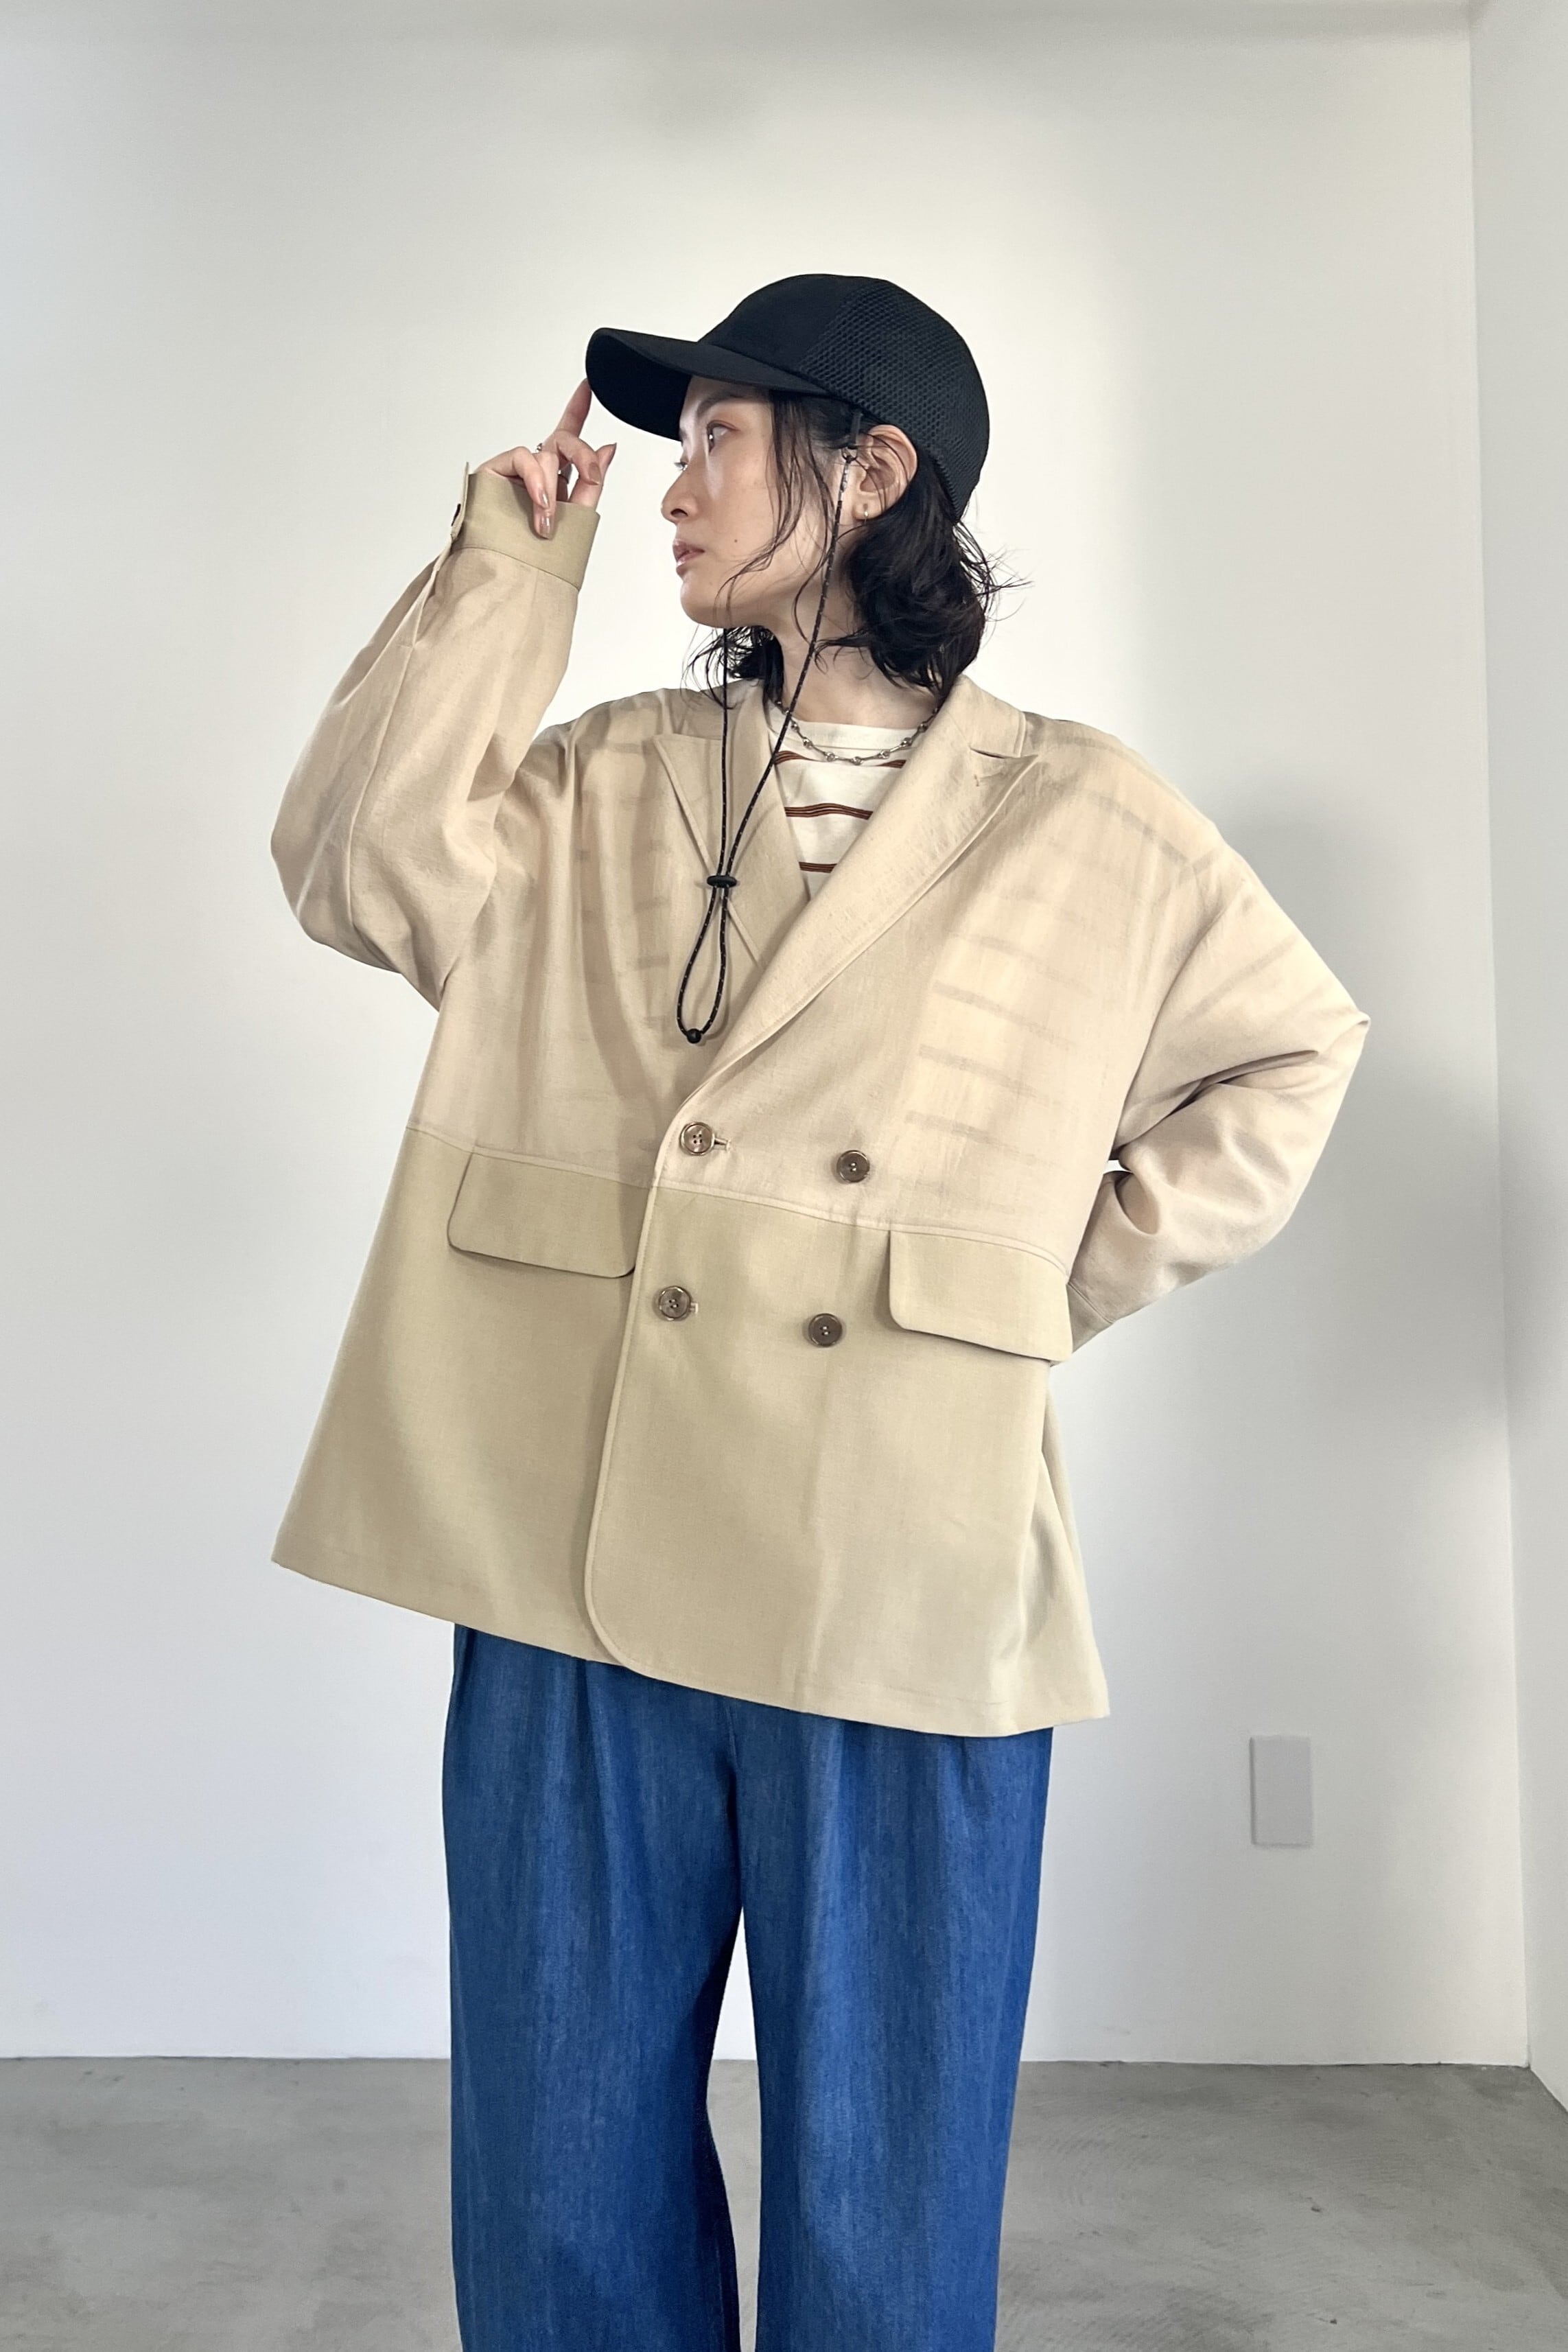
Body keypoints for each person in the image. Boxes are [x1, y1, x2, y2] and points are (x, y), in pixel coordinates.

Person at [269, 274, 1369, 2352]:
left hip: (902, 1557)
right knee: (557, 2180)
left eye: (721, 439)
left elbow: (1288, 1052)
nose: (678, 487)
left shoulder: (1086, 815)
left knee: (885, 2200)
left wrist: (1016, 1293)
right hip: (572, 1536)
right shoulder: (609, 777)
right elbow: (356, 865)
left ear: (867, 474)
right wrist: (509, 569)